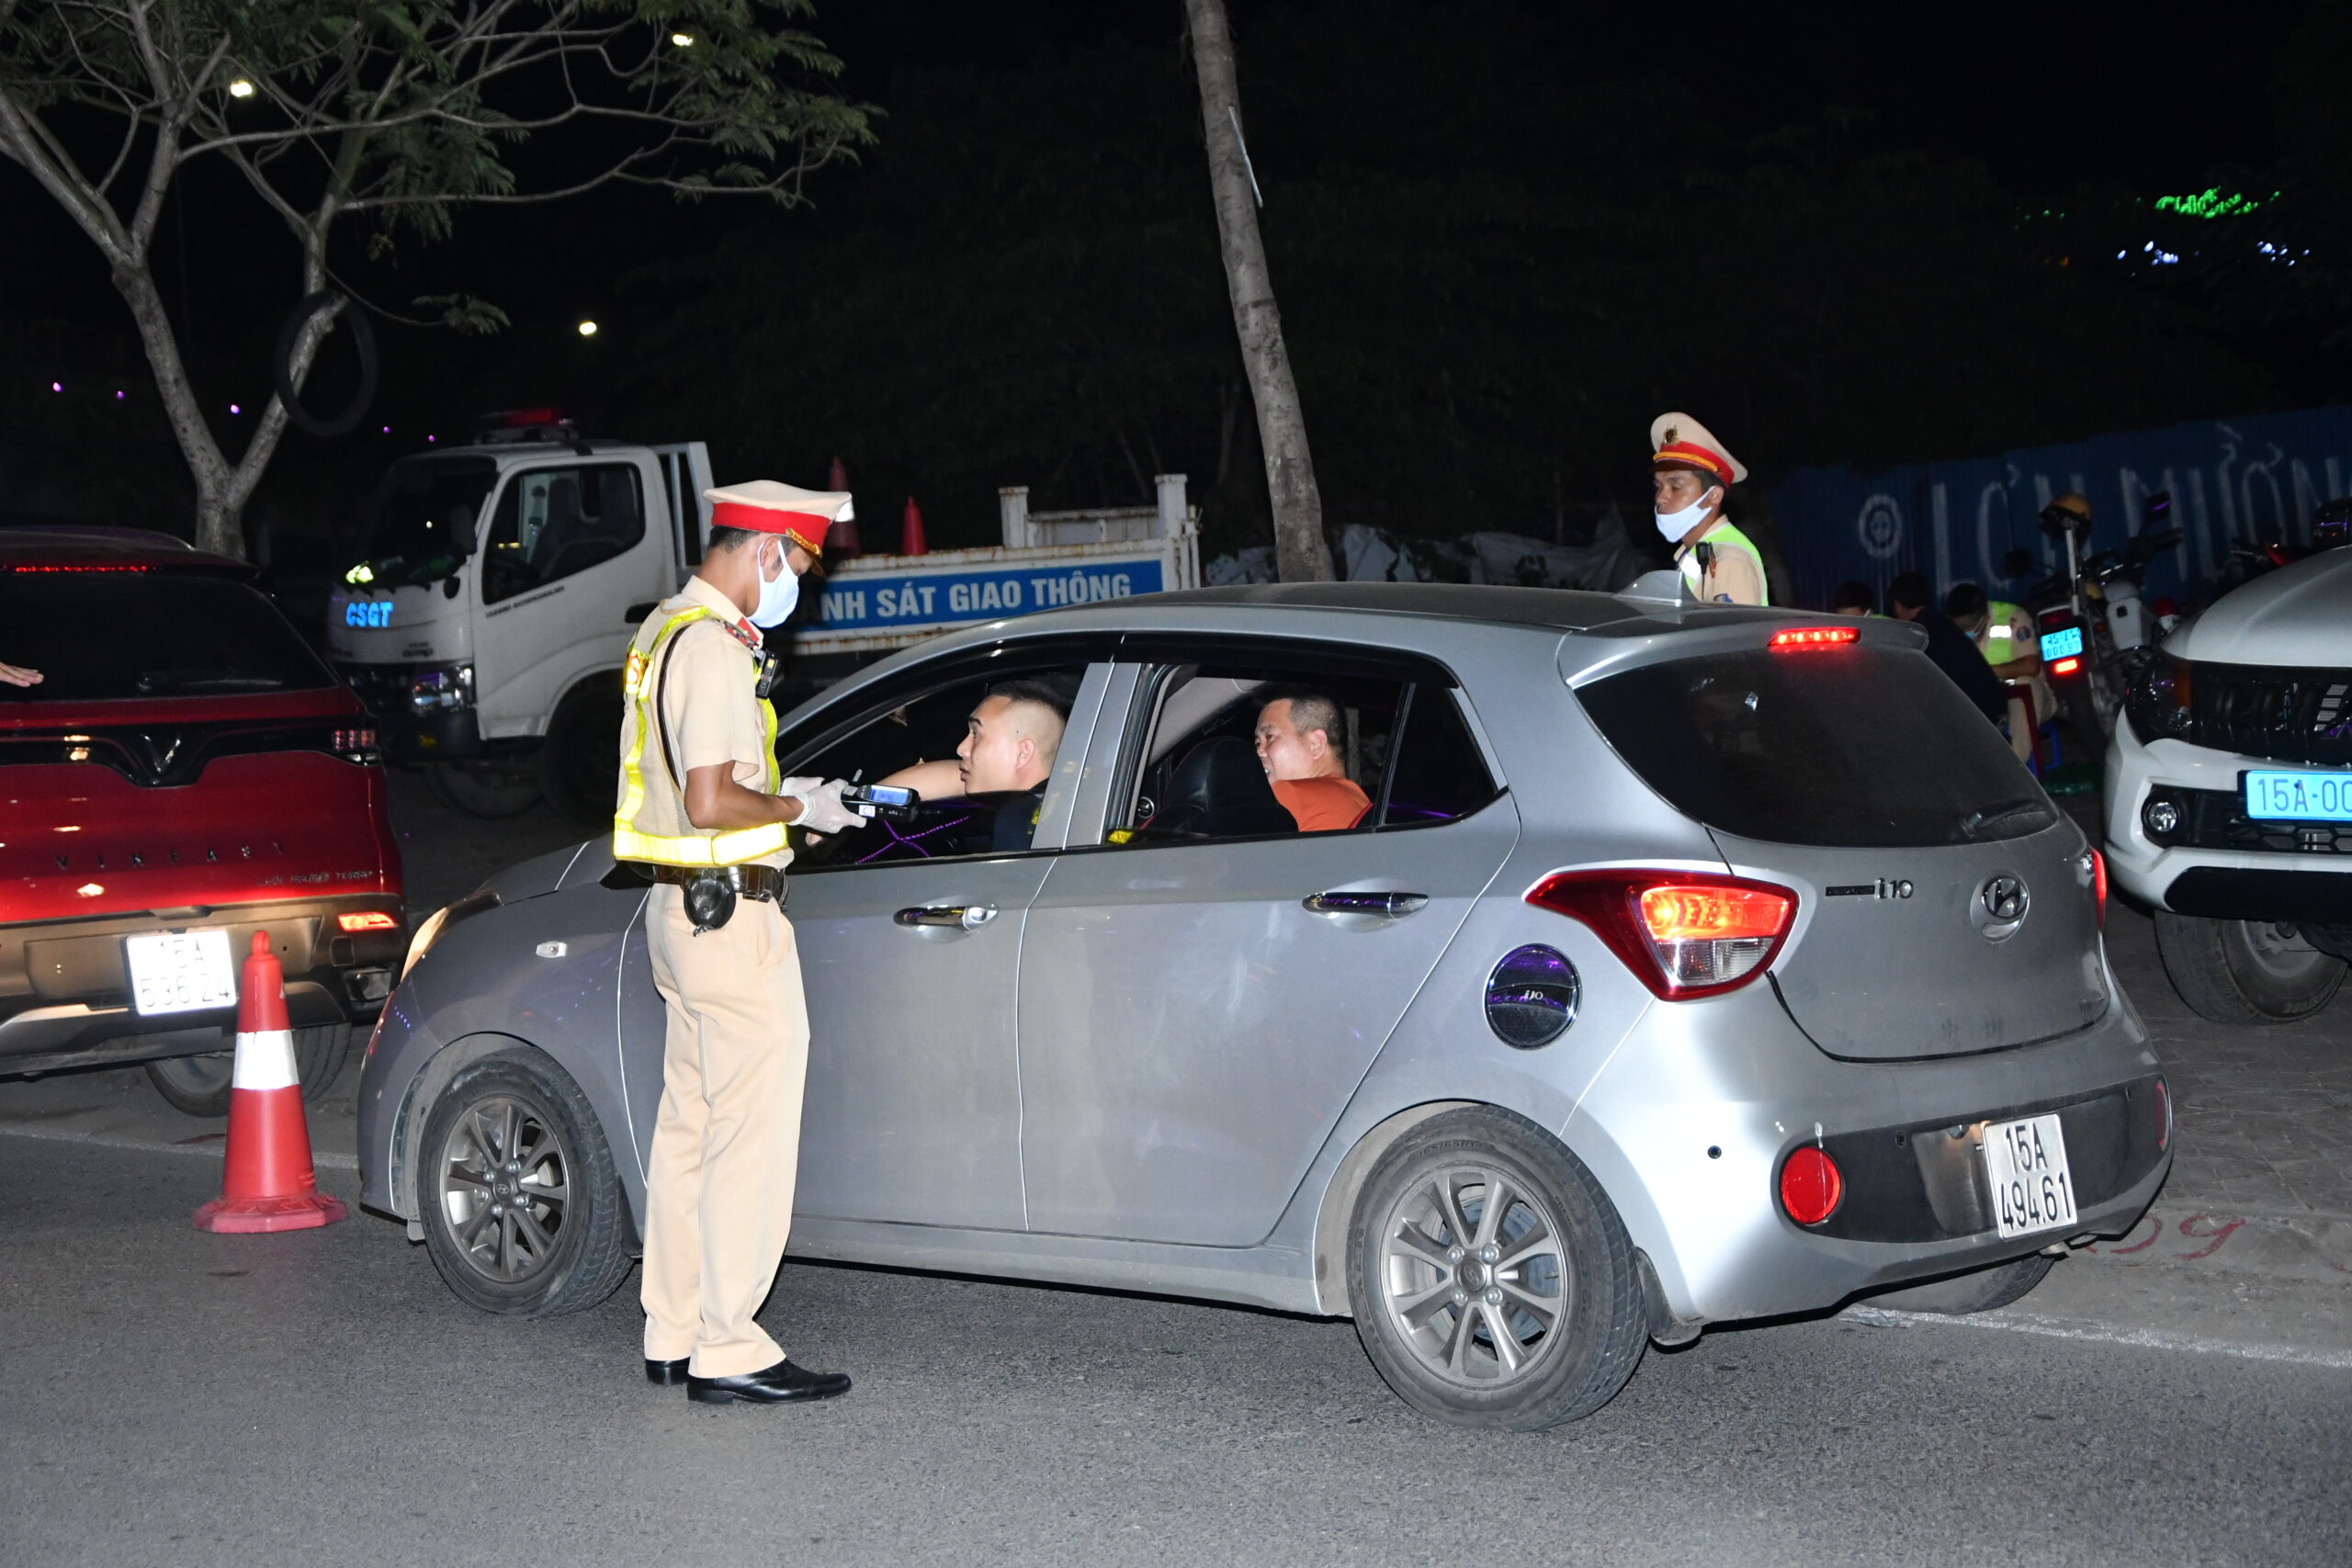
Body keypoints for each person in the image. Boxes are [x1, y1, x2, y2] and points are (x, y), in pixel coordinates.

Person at [615, 479, 866, 1407]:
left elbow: (689, 789)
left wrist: (793, 798)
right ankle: (730, 1346)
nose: (801, 584)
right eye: (799, 564)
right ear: (764, 550)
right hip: (731, 923)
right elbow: (713, 797)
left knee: (692, 1125)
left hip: (679, 912)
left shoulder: (662, 630)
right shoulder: (717, 648)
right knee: (747, 1135)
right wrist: (800, 807)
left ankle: (675, 1328)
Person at [879, 679, 1070, 851]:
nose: (961, 748)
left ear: (1022, 754)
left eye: (976, 734)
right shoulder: (1065, 803)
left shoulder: (1019, 824)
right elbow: (887, 793)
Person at [1650, 412, 1767, 605]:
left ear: (1713, 496)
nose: (1661, 497)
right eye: (1659, 486)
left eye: (1675, 487)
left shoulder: (1729, 560)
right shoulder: (1693, 554)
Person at [1944, 581, 2052, 762]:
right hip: (1987, 706)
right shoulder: (1946, 630)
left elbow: (2031, 666)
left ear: (1983, 617)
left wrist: (1983, 672)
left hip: (2032, 702)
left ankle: (2015, 767)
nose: (1960, 633)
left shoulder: (2012, 618)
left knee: (2026, 685)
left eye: (1965, 628)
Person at [1886, 571, 2007, 726]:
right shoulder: (1941, 624)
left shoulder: (1916, 633)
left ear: (1897, 605)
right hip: (1988, 709)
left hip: (1972, 718)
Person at [1253, 689, 1370, 830]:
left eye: (1270, 737)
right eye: (1258, 743)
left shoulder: (1288, 794)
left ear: (1316, 744)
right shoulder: (1361, 802)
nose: (1258, 751)